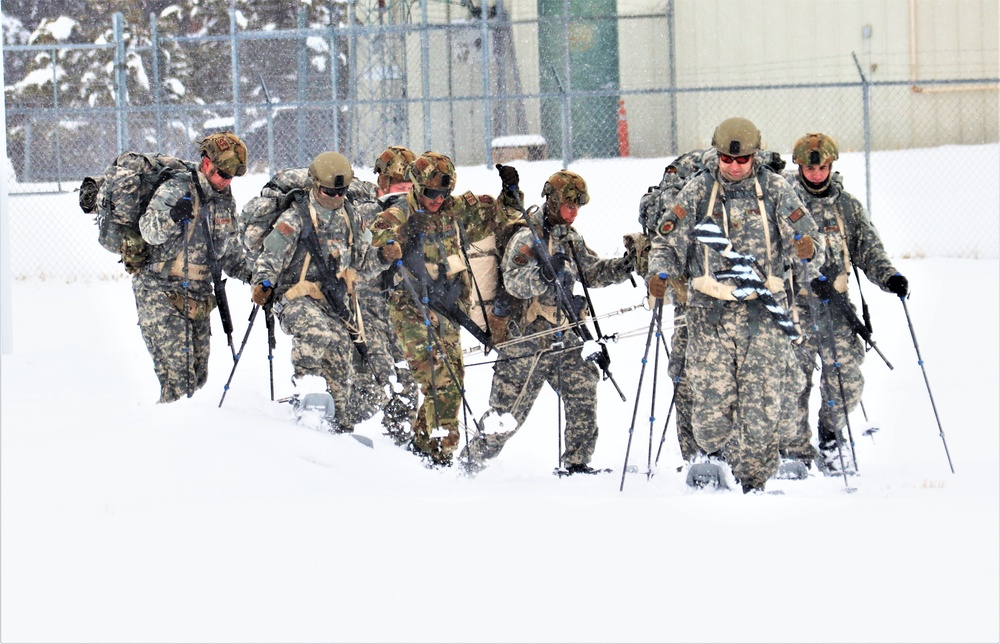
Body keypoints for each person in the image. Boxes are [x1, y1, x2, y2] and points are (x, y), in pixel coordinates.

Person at [646, 117, 822, 493]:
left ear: (755, 156)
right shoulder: (697, 191)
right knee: (710, 404)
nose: (735, 166)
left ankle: (754, 480)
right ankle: (713, 461)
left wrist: (806, 248)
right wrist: (660, 273)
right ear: (718, 154)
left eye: (742, 160)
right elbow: (665, 242)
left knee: (761, 404)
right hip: (710, 312)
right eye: (728, 159)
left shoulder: (775, 190)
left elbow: (808, 237)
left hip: (763, 311)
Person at [462, 170, 636, 474]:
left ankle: (577, 464)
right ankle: (467, 466)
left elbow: (591, 272)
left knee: (583, 388)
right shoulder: (526, 238)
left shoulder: (570, 237)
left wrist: (626, 265)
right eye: (568, 205)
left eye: (577, 206)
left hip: (564, 334)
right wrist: (543, 273)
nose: (573, 212)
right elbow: (513, 284)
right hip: (526, 341)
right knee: (506, 417)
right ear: (553, 202)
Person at [369, 151, 521, 466]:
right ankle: (440, 457)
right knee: (440, 382)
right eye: (430, 193)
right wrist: (394, 241)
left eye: (442, 193)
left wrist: (510, 192)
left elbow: (499, 215)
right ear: (415, 186)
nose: (437, 200)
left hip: (449, 308)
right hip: (412, 308)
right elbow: (380, 230)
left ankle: (421, 451)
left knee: (452, 381)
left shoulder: (456, 210)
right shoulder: (403, 211)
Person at [782, 132, 908, 475]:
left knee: (846, 378)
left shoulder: (846, 206)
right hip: (795, 306)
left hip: (836, 307)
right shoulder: (784, 202)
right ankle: (793, 449)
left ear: (831, 165)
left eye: (822, 167)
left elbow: (869, 251)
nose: (816, 174)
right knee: (792, 379)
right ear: (799, 167)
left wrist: (890, 277)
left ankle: (831, 437)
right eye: (809, 168)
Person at [248, 151, 381, 434]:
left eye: (341, 192)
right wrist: (263, 283)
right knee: (316, 332)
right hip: (294, 298)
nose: (335, 197)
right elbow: (270, 256)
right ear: (314, 185)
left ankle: (338, 425)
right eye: (328, 191)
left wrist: (385, 256)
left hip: (332, 303)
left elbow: (362, 264)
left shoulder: (352, 219)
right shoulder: (295, 218)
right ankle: (307, 399)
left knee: (341, 355)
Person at [134, 131, 250, 403]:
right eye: (223, 173)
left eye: (232, 176)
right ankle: (164, 436)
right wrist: (173, 216)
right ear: (207, 163)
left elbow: (228, 253)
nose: (227, 181)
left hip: (198, 295)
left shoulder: (224, 200)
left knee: (198, 378)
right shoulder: (177, 189)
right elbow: (148, 231)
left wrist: (257, 276)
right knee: (178, 382)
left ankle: (186, 436)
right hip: (161, 293)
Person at [348, 146, 422, 444]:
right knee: (378, 385)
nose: (401, 193)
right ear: (381, 184)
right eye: (396, 186)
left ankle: (398, 453)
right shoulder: (367, 214)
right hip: (369, 313)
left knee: (406, 387)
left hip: (404, 313)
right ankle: (330, 427)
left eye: (407, 186)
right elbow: (358, 260)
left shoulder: (420, 215)